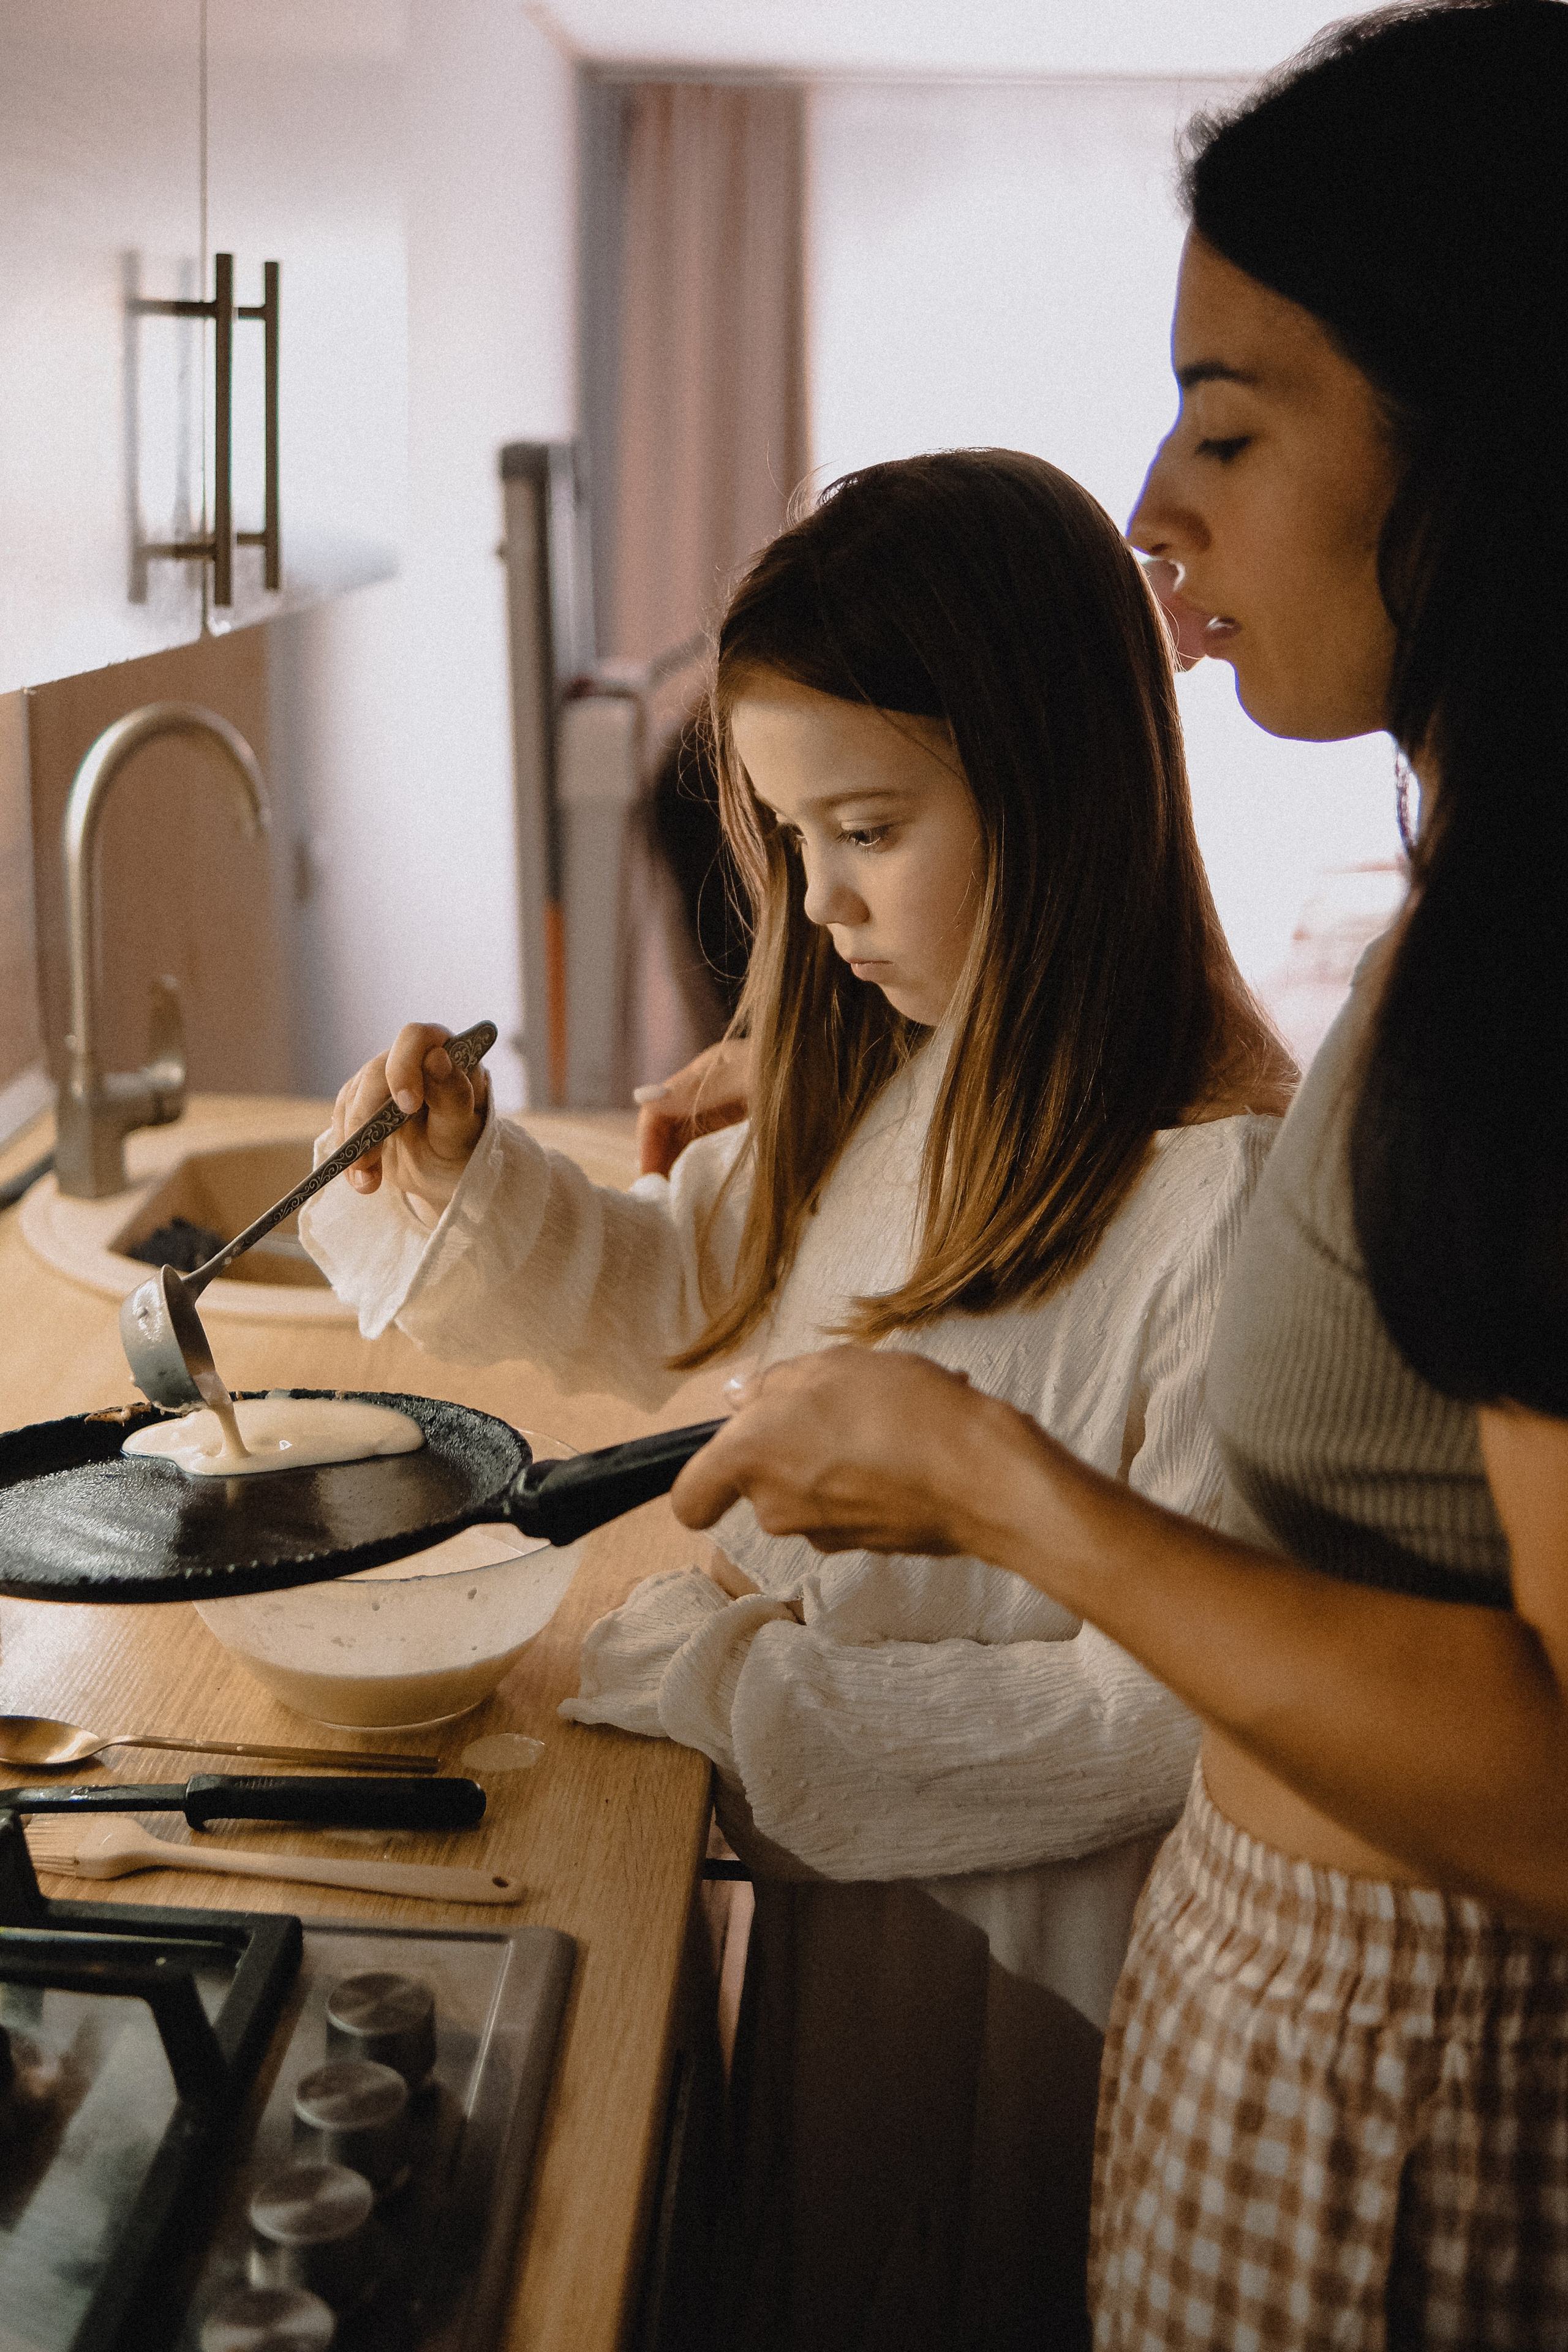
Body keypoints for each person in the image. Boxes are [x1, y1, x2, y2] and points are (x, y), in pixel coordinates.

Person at [668, 7, 1568, 2345]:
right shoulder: (1460, 942)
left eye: (1234, 423)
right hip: (1277, 2048)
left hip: (1419, 2098)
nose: (1158, 507)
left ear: (1487, 448)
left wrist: (999, 1489)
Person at [300, 448, 1292, 2348]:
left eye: (869, 830)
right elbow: (685, 1279)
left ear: (1062, 788)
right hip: (867, 1903)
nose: (820, 909)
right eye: (789, 838)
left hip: (1035, 1978)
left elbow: (1165, 1721)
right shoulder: (908, 1069)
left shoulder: (1216, 1203)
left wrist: (731, 1684)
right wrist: (467, 1174)